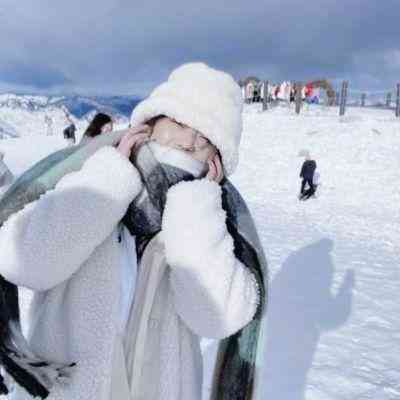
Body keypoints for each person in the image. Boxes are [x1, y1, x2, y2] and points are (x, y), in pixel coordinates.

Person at [0, 63, 263, 400]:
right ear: (149, 125)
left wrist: (195, 210)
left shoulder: (214, 220)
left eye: (207, 137)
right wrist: (108, 182)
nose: (191, 140)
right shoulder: (87, 176)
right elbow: (24, 261)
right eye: (181, 122)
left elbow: (217, 318)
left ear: (218, 160)